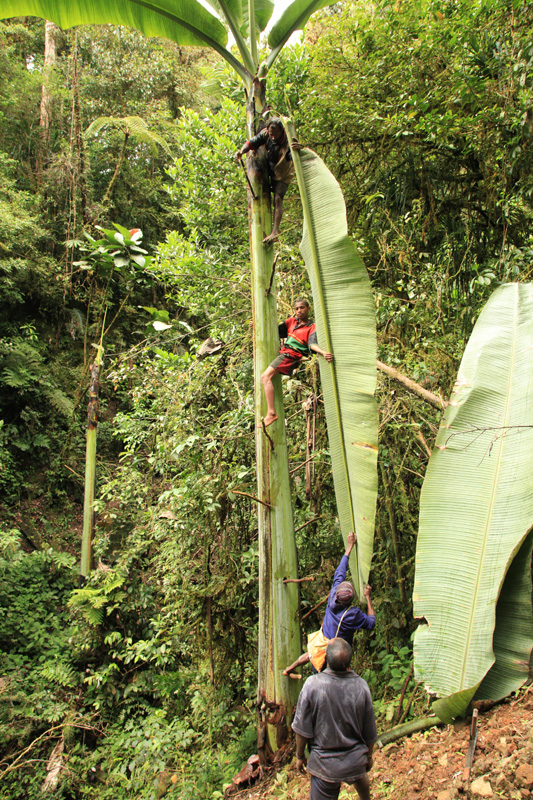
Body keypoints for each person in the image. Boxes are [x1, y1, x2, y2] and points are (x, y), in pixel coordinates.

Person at [292, 638, 377, 800]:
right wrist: (369, 755)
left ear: (326, 659)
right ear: (350, 661)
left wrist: (299, 755)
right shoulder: (361, 685)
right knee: (359, 774)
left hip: (325, 765)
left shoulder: (312, 685)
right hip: (355, 760)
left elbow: (302, 729)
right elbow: (370, 730)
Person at [283, 532, 375, 677]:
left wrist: (349, 547)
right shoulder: (352, 614)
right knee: (327, 680)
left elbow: (340, 572)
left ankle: (290, 667)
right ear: (350, 601)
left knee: (310, 654)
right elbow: (371, 623)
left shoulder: (333, 596)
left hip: (318, 649)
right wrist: (368, 598)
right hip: (330, 659)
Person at [261, 298, 333, 428]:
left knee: (265, 377)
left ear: (308, 309)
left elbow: (312, 344)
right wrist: (256, 326)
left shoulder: (312, 327)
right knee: (266, 377)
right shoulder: (291, 322)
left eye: (302, 308)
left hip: (291, 355)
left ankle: (271, 413)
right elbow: (274, 331)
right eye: (297, 308)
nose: (299, 311)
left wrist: (322, 352)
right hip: (285, 354)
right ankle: (271, 413)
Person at [234, 117, 301, 244]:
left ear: (282, 130)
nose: (273, 137)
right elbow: (251, 143)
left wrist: (298, 150)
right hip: (269, 167)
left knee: (277, 198)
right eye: (271, 134)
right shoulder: (266, 134)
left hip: (283, 173)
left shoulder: (288, 142)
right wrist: (241, 152)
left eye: (275, 134)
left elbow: (292, 156)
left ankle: (275, 232)